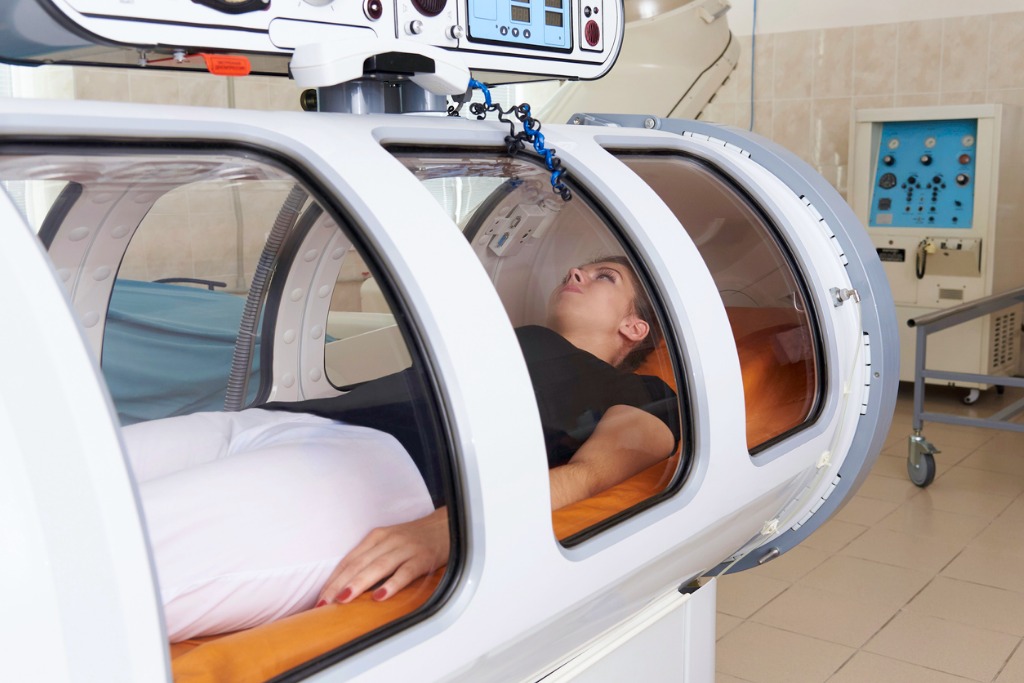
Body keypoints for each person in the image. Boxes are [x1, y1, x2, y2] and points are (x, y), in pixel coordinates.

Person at [123, 257, 679, 641]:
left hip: (372, 471)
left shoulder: (640, 394)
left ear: (634, 327)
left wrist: (448, 530)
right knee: (83, 476)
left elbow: (591, 475)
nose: (575, 272)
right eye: (581, 267)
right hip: (283, 420)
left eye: (604, 277)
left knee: (113, 562)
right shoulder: (512, 336)